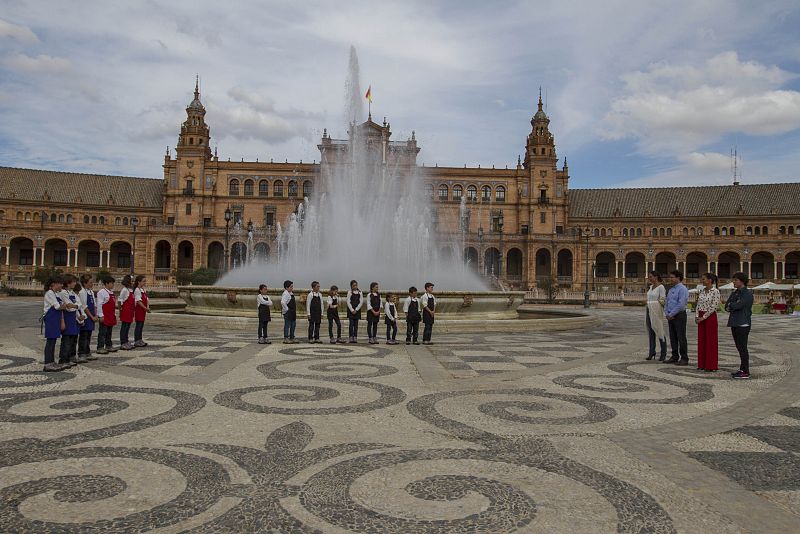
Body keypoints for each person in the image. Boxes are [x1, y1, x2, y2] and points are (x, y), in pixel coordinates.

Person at [726, 272, 754, 379]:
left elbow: (739, 305)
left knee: (742, 347)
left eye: (735, 280)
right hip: (734, 322)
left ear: (742, 281)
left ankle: (745, 370)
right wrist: (732, 305)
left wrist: (732, 305)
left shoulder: (747, 293)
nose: (733, 282)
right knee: (739, 347)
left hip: (743, 323)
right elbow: (726, 305)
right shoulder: (735, 293)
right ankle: (742, 368)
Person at [695, 272, 720, 372]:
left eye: (704, 279)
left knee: (710, 340)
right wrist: (697, 316)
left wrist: (704, 317)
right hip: (701, 315)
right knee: (702, 340)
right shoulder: (702, 291)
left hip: (710, 317)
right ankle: (702, 363)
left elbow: (714, 306)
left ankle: (711, 365)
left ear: (710, 280)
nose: (702, 281)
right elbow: (698, 303)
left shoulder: (715, 291)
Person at [664, 270, 689, 365]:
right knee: (673, 336)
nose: (670, 279)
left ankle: (684, 357)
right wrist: (666, 313)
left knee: (681, 336)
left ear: (678, 278)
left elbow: (681, 304)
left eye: (672, 277)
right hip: (670, 315)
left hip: (679, 315)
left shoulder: (682, 289)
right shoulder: (671, 290)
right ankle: (674, 356)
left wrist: (671, 314)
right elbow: (667, 302)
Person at [58, 274, 82, 366]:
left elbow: (78, 304)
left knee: (72, 339)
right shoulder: (63, 292)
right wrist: (75, 305)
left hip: (73, 318)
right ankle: (63, 359)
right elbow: (68, 305)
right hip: (67, 317)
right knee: (66, 340)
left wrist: (75, 306)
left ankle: (69, 357)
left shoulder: (72, 293)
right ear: (68, 283)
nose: (75, 283)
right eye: (74, 282)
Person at [42, 277, 65, 372]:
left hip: (55, 318)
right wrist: (63, 306)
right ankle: (48, 363)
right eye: (60, 283)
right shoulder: (50, 293)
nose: (61, 286)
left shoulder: (56, 293)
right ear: (54, 284)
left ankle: (51, 361)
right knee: (50, 341)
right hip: (51, 318)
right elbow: (58, 306)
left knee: (53, 340)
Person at [645, 271, 667, 361]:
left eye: (651, 277)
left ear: (656, 277)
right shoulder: (650, 287)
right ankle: (652, 351)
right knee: (651, 331)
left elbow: (662, 300)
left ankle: (663, 352)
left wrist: (651, 303)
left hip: (657, 311)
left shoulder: (661, 287)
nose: (649, 278)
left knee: (659, 330)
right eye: (649, 277)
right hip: (649, 310)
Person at [77, 274, 99, 361]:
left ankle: (87, 352)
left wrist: (96, 314)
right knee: (84, 335)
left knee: (88, 335)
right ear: (85, 283)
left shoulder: (91, 292)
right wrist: (91, 316)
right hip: (86, 317)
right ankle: (82, 353)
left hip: (92, 316)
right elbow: (84, 306)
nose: (92, 284)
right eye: (90, 282)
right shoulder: (82, 292)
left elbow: (94, 305)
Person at [96, 276, 118, 354]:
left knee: (109, 332)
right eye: (111, 283)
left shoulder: (111, 293)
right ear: (106, 284)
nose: (113, 285)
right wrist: (101, 315)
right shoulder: (101, 292)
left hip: (111, 315)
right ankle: (100, 346)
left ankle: (108, 345)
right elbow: (99, 304)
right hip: (105, 315)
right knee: (102, 332)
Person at [118, 274, 135, 350]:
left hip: (130, 311)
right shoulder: (124, 290)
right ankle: (123, 342)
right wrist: (120, 310)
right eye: (131, 281)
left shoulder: (130, 290)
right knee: (124, 327)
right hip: (125, 311)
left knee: (127, 327)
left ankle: (126, 341)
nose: (132, 282)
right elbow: (120, 300)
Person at [133, 275, 150, 347]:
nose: (144, 283)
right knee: (138, 325)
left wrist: (147, 307)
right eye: (143, 281)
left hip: (143, 310)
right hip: (139, 310)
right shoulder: (137, 290)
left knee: (141, 325)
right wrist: (145, 308)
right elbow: (138, 301)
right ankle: (137, 340)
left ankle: (140, 339)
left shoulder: (143, 290)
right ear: (138, 282)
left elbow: (146, 299)